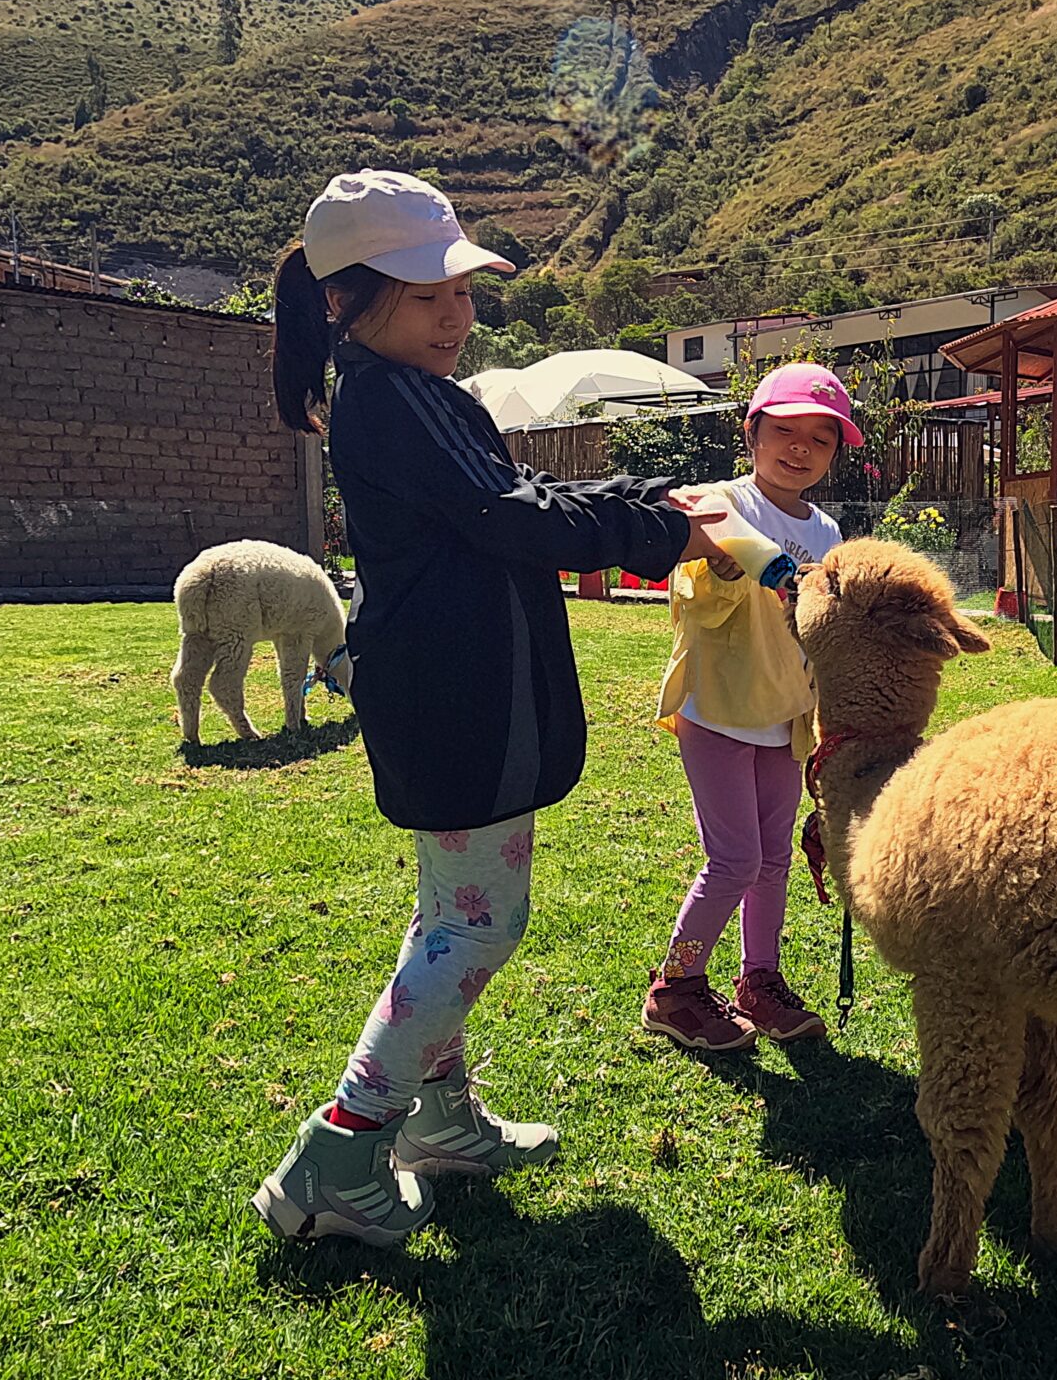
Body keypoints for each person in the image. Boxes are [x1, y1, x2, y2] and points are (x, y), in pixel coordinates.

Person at [252, 168, 729, 1246]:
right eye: (429, 299)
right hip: (452, 701)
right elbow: (513, 521)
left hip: (452, 694)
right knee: (478, 924)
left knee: (445, 918)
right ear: (348, 302)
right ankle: (336, 1148)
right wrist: (660, 535)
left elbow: (525, 501)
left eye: (461, 292)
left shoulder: (410, 395)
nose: (456, 316)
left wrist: (645, 502)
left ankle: (439, 1118)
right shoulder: (384, 402)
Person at [642, 363, 858, 1054]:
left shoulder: (827, 531)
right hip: (719, 709)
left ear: (834, 453)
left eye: (819, 440)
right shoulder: (721, 505)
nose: (799, 449)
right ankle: (675, 988)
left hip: (785, 718)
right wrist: (726, 571)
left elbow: (830, 633)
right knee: (733, 860)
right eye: (784, 431)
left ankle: (757, 981)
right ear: (752, 433)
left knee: (772, 862)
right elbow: (689, 602)